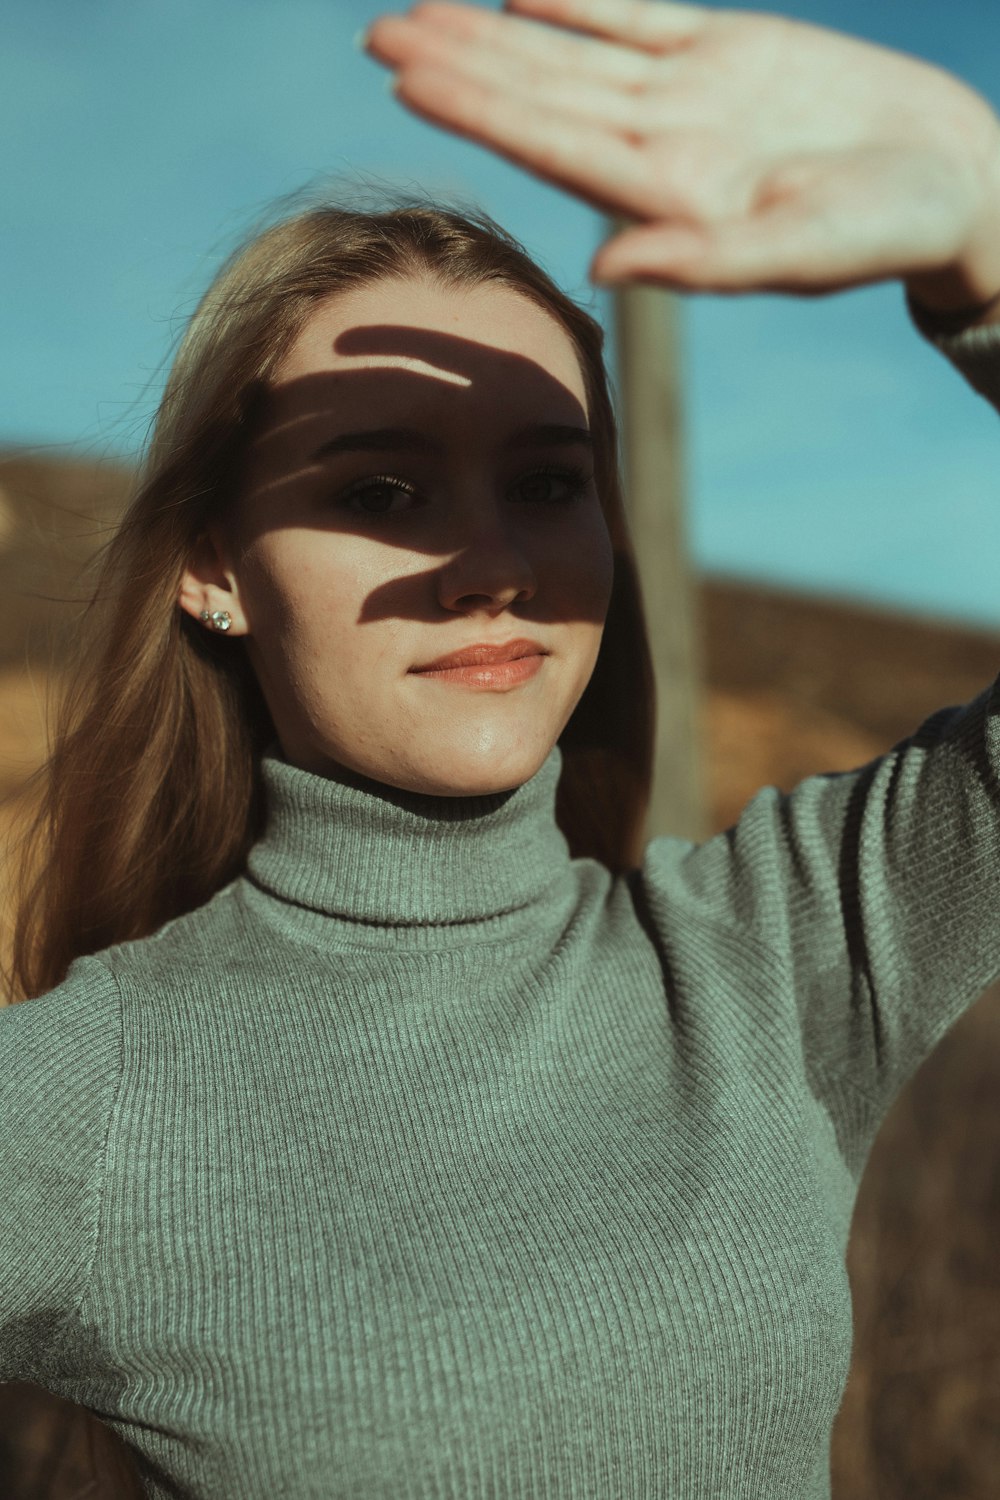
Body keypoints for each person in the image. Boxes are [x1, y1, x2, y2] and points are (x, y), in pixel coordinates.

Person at [2, 0, 1000, 1495]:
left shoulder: (765, 959)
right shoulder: (88, 1094)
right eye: (385, 489)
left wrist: (985, 220)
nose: (491, 564)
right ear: (212, 566)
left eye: (546, 484)